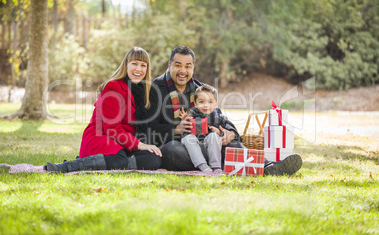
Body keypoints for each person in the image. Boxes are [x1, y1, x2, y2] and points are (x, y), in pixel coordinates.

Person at [148, 45, 302, 176]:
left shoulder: (201, 89)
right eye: (178, 65)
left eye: (188, 66)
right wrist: (175, 129)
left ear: (193, 68)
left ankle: (268, 166)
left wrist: (230, 133)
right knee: (172, 151)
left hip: (210, 143)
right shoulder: (156, 88)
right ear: (169, 66)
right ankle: (221, 163)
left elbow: (220, 117)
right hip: (181, 145)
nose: (183, 70)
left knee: (233, 143)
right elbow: (148, 127)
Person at [46, 47, 162, 173]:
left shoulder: (142, 92)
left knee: (153, 158)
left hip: (122, 143)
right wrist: (139, 145)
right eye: (134, 63)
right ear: (126, 65)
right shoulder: (114, 87)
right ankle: (68, 166)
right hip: (101, 137)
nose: (138, 69)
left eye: (143, 65)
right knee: (120, 158)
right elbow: (112, 128)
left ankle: (112, 162)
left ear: (147, 69)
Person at [180, 84, 236, 173]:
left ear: (216, 104)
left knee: (213, 136)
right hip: (194, 146)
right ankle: (202, 165)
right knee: (188, 138)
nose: (206, 105)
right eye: (201, 102)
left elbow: (228, 130)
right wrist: (185, 120)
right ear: (195, 104)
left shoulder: (219, 117)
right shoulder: (191, 115)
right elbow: (185, 132)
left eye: (210, 102)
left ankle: (216, 166)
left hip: (209, 146)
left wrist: (219, 133)